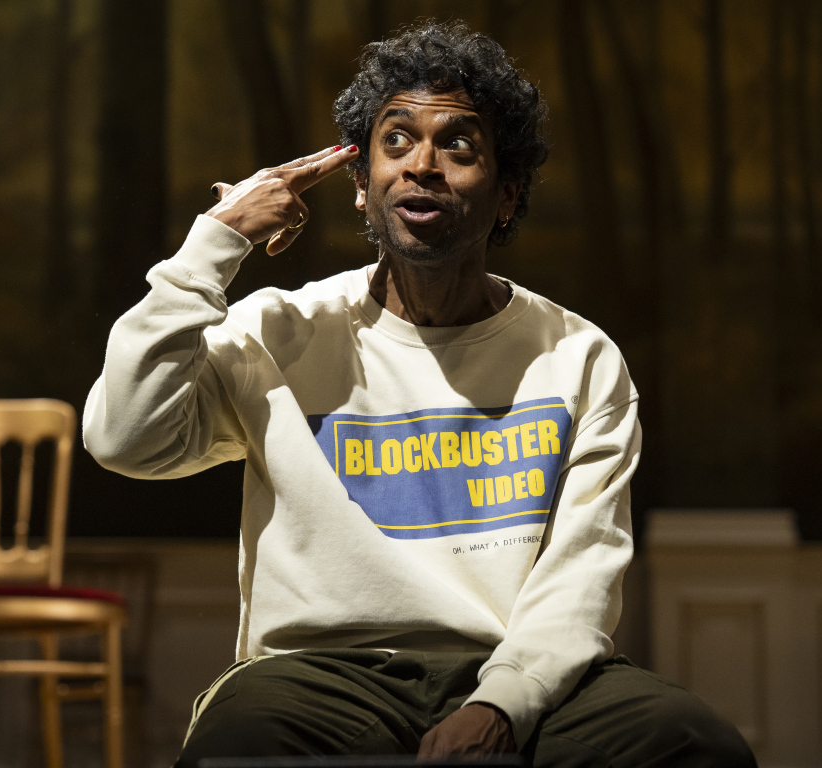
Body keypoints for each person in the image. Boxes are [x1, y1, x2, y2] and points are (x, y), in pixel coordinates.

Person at [84, 20, 756, 768]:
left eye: (458, 145)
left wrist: (501, 704)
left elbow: (581, 575)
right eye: (396, 140)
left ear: (507, 195)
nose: (422, 165)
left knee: (695, 745)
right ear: (362, 187)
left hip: (519, 667)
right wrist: (212, 245)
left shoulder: (578, 357)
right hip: (319, 677)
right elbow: (125, 439)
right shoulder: (278, 332)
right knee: (238, 747)